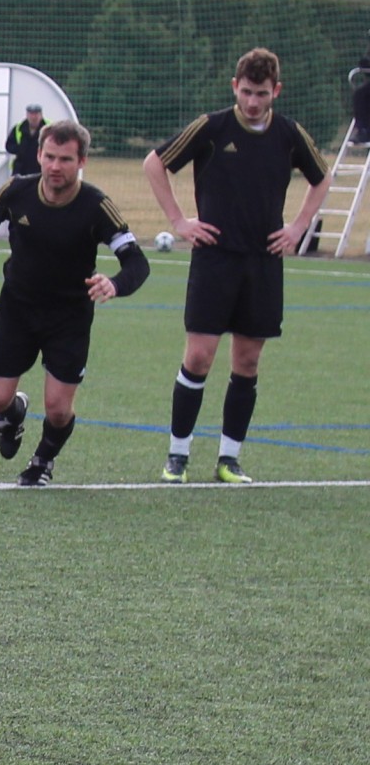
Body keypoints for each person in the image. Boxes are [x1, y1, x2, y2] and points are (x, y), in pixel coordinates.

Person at [144, 46, 330, 484]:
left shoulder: (288, 134)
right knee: (199, 357)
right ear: (234, 87)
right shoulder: (212, 127)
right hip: (214, 259)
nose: (252, 101)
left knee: (246, 362)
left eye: (261, 94)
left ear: (276, 91)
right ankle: (177, 456)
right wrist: (179, 221)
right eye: (246, 92)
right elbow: (154, 163)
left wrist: (298, 227)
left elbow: (322, 177)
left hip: (263, 262)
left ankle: (229, 459)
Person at [0, 120, 150, 486]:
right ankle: (13, 412)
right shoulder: (17, 190)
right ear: (38, 155)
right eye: (49, 157)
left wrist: (114, 284)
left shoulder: (96, 205)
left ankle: (42, 461)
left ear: (81, 161)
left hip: (69, 316)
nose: (55, 166)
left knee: (58, 409)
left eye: (65, 159)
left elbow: (137, 262)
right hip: (17, 309)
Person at [6, 103, 47, 177]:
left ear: (41, 115)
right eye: (31, 114)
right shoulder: (18, 128)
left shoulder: (48, 128)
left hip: (40, 169)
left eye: (36, 114)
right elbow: (9, 146)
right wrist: (20, 149)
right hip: (20, 170)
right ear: (27, 115)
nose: (33, 117)